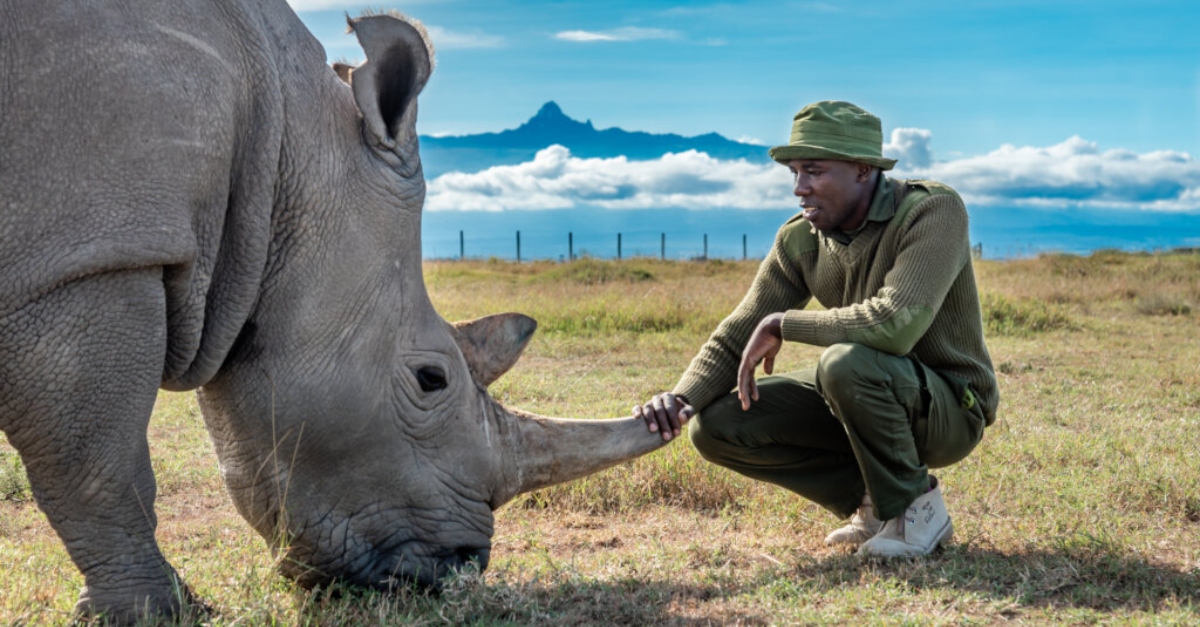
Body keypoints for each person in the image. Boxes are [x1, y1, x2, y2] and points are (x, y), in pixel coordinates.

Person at [633, 100, 998, 557]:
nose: (799, 188)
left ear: (863, 170)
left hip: (950, 408)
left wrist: (784, 323)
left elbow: (895, 324)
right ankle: (875, 503)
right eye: (794, 173)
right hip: (868, 391)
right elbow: (739, 334)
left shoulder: (932, 210)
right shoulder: (800, 238)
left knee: (844, 363)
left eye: (814, 171)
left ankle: (915, 509)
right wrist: (679, 401)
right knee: (717, 425)